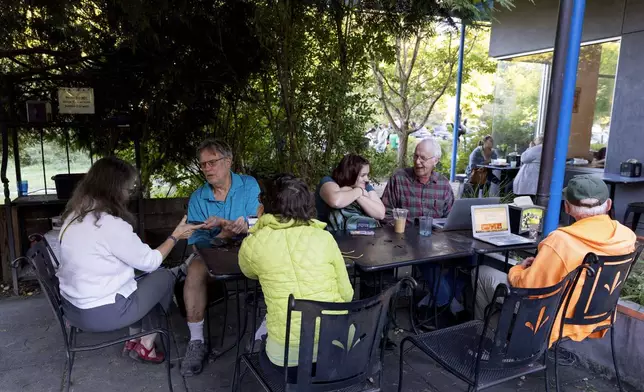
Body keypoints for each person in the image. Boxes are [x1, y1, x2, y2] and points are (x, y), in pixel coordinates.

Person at [57, 157, 202, 364]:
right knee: (161, 277)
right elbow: (151, 261)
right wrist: (175, 236)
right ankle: (146, 344)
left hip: (73, 310)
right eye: (128, 188)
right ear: (114, 189)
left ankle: (134, 338)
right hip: (102, 314)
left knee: (144, 279)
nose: (129, 193)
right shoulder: (109, 225)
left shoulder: (72, 219)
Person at [473, 175, 636, 346]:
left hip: (553, 318)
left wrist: (518, 270)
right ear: (608, 204)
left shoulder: (560, 241)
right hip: (597, 315)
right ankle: (511, 338)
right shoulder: (627, 236)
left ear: (567, 207)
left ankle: (490, 344)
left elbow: (528, 287)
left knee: (482, 273)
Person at [239, 174, 353, 381]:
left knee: (264, 334)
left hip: (287, 362)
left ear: (265, 207)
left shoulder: (254, 244)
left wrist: (258, 229)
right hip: (336, 351)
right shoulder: (324, 238)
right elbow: (347, 294)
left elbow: (248, 272)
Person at [181, 139, 261, 376]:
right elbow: (197, 244)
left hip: (251, 249)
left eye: (212, 162)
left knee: (276, 265)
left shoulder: (248, 185)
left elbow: (259, 220)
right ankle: (196, 341)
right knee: (194, 270)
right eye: (203, 165)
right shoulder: (198, 197)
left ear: (228, 161)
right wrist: (223, 236)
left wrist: (245, 226)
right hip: (214, 253)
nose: (207, 169)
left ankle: (264, 333)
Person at [381, 138, 463, 317]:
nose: (418, 162)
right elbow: (384, 212)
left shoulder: (442, 185)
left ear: (435, 160)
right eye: (415, 156)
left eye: (423, 158)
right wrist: (398, 225)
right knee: (425, 254)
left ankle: (437, 299)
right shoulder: (399, 178)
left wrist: (445, 229)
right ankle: (444, 306)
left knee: (471, 259)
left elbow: (451, 217)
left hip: (437, 240)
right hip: (405, 240)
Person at [316, 154, 385, 230]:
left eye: (367, 175)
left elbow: (380, 213)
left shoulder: (364, 185)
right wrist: (359, 191)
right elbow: (336, 201)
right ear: (351, 174)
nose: (367, 179)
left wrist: (357, 195)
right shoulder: (328, 181)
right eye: (363, 175)